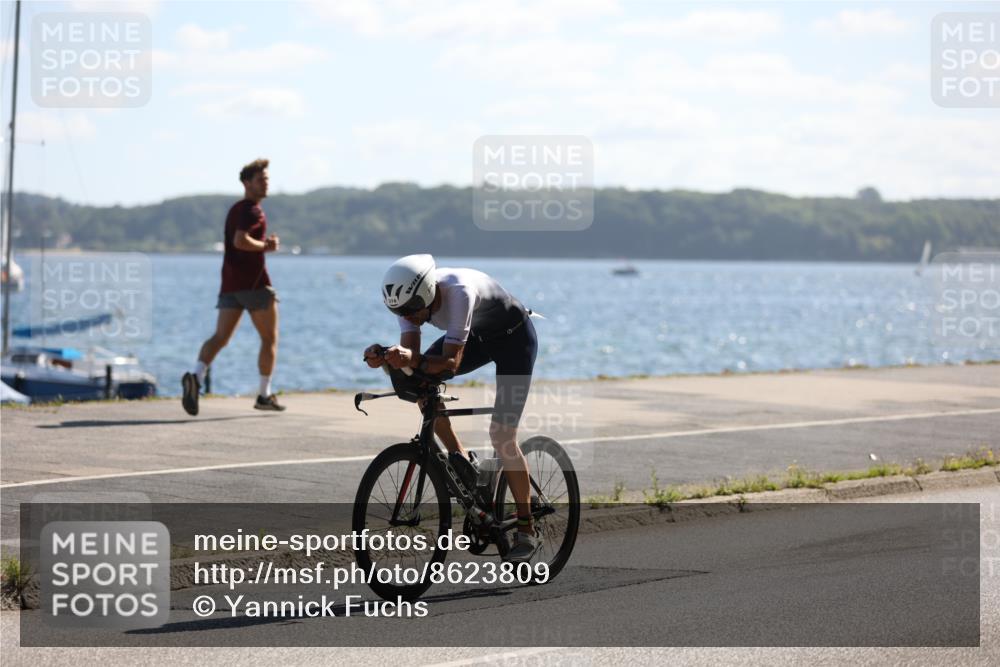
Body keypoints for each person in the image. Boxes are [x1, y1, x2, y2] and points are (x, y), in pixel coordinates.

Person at [364, 254, 540, 563]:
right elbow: (413, 363)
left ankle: (526, 529)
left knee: (502, 436)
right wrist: (387, 361)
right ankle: (462, 461)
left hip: (515, 340)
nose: (408, 317)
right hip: (479, 337)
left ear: (428, 294)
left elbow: (450, 364)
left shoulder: (459, 292)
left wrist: (410, 360)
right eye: (400, 312)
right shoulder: (409, 300)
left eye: (412, 311)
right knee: (420, 384)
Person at [182, 158, 285, 415]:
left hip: (230, 284)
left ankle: (195, 376)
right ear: (246, 183)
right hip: (254, 285)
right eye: (261, 179)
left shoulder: (236, 209)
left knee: (220, 338)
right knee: (269, 339)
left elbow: (237, 240)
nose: (266, 183)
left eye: (267, 179)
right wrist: (266, 246)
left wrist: (261, 245)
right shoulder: (252, 210)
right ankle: (264, 395)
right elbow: (241, 241)